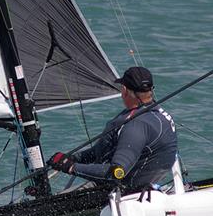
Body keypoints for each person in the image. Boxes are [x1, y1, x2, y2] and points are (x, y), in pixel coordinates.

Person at [48, 66, 178, 190]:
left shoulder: (136, 125)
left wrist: (71, 167)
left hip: (121, 192)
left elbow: (116, 172)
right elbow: (102, 151)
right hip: (143, 184)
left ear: (124, 90)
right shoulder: (156, 113)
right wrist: (73, 158)